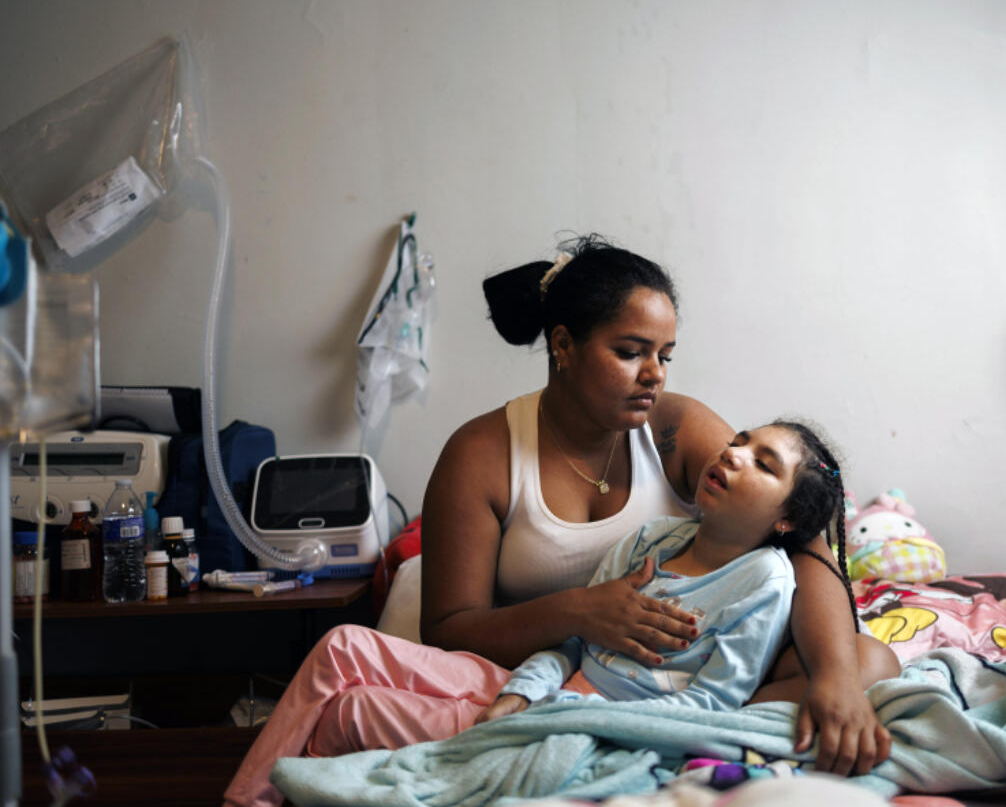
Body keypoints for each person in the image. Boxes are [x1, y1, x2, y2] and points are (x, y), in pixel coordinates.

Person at [224, 237, 895, 807]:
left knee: (870, 658)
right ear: (564, 346)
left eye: (665, 354)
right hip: (534, 667)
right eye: (632, 350)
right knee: (351, 674)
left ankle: (707, 734)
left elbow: (803, 540)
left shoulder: (676, 430)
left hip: (668, 680)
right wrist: (580, 612)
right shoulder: (483, 453)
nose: (654, 374)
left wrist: (834, 674)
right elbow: (449, 628)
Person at [477, 421, 870, 721]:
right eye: (737, 441)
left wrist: (591, 720)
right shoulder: (650, 540)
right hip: (561, 697)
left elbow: (712, 701)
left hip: (635, 725)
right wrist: (521, 693)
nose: (732, 454)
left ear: (788, 518)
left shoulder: (764, 580)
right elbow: (575, 640)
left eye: (764, 465)